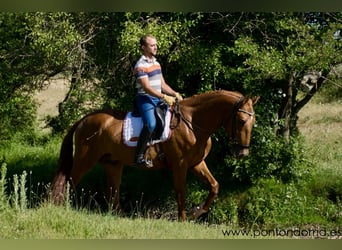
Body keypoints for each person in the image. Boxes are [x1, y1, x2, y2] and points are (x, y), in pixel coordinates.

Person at [134, 34, 182, 167]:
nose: (155, 47)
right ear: (143, 47)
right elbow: (147, 88)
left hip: (158, 98)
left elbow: (162, 85)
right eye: (152, 45)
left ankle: (161, 150)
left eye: (156, 44)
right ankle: (138, 156)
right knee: (150, 124)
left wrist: (174, 93)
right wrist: (164, 97)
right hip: (145, 99)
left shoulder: (156, 63)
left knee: (170, 120)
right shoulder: (140, 65)